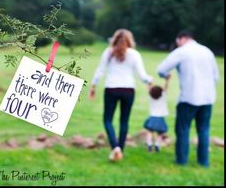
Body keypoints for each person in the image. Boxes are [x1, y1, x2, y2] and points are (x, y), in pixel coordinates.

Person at [157, 30, 219, 167]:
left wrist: (165, 76)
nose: (177, 44)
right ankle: (204, 162)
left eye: (177, 41)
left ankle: (182, 160)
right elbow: (216, 76)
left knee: (183, 129)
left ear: (182, 38)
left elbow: (161, 69)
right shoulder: (207, 51)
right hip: (208, 97)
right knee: (204, 129)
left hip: (188, 97)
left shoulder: (182, 52)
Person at [89, 29, 153, 161]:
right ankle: (120, 150)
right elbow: (142, 76)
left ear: (114, 39)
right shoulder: (134, 54)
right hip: (128, 90)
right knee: (124, 121)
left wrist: (93, 85)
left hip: (111, 89)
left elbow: (100, 71)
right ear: (130, 40)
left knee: (107, 120)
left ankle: (115, 148)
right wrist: (149, 80)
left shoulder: (108, 52)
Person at [144, 75, 171, 152]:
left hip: (152, 117)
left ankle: (149, 144)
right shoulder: (162, 96)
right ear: (161, 92)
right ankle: (157, 144)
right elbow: (166, 88)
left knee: (149, 131)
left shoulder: (151, 97)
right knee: (160, 133)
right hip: (160, 118)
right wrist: (167, 80)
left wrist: (149, 82)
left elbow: (149, 89)